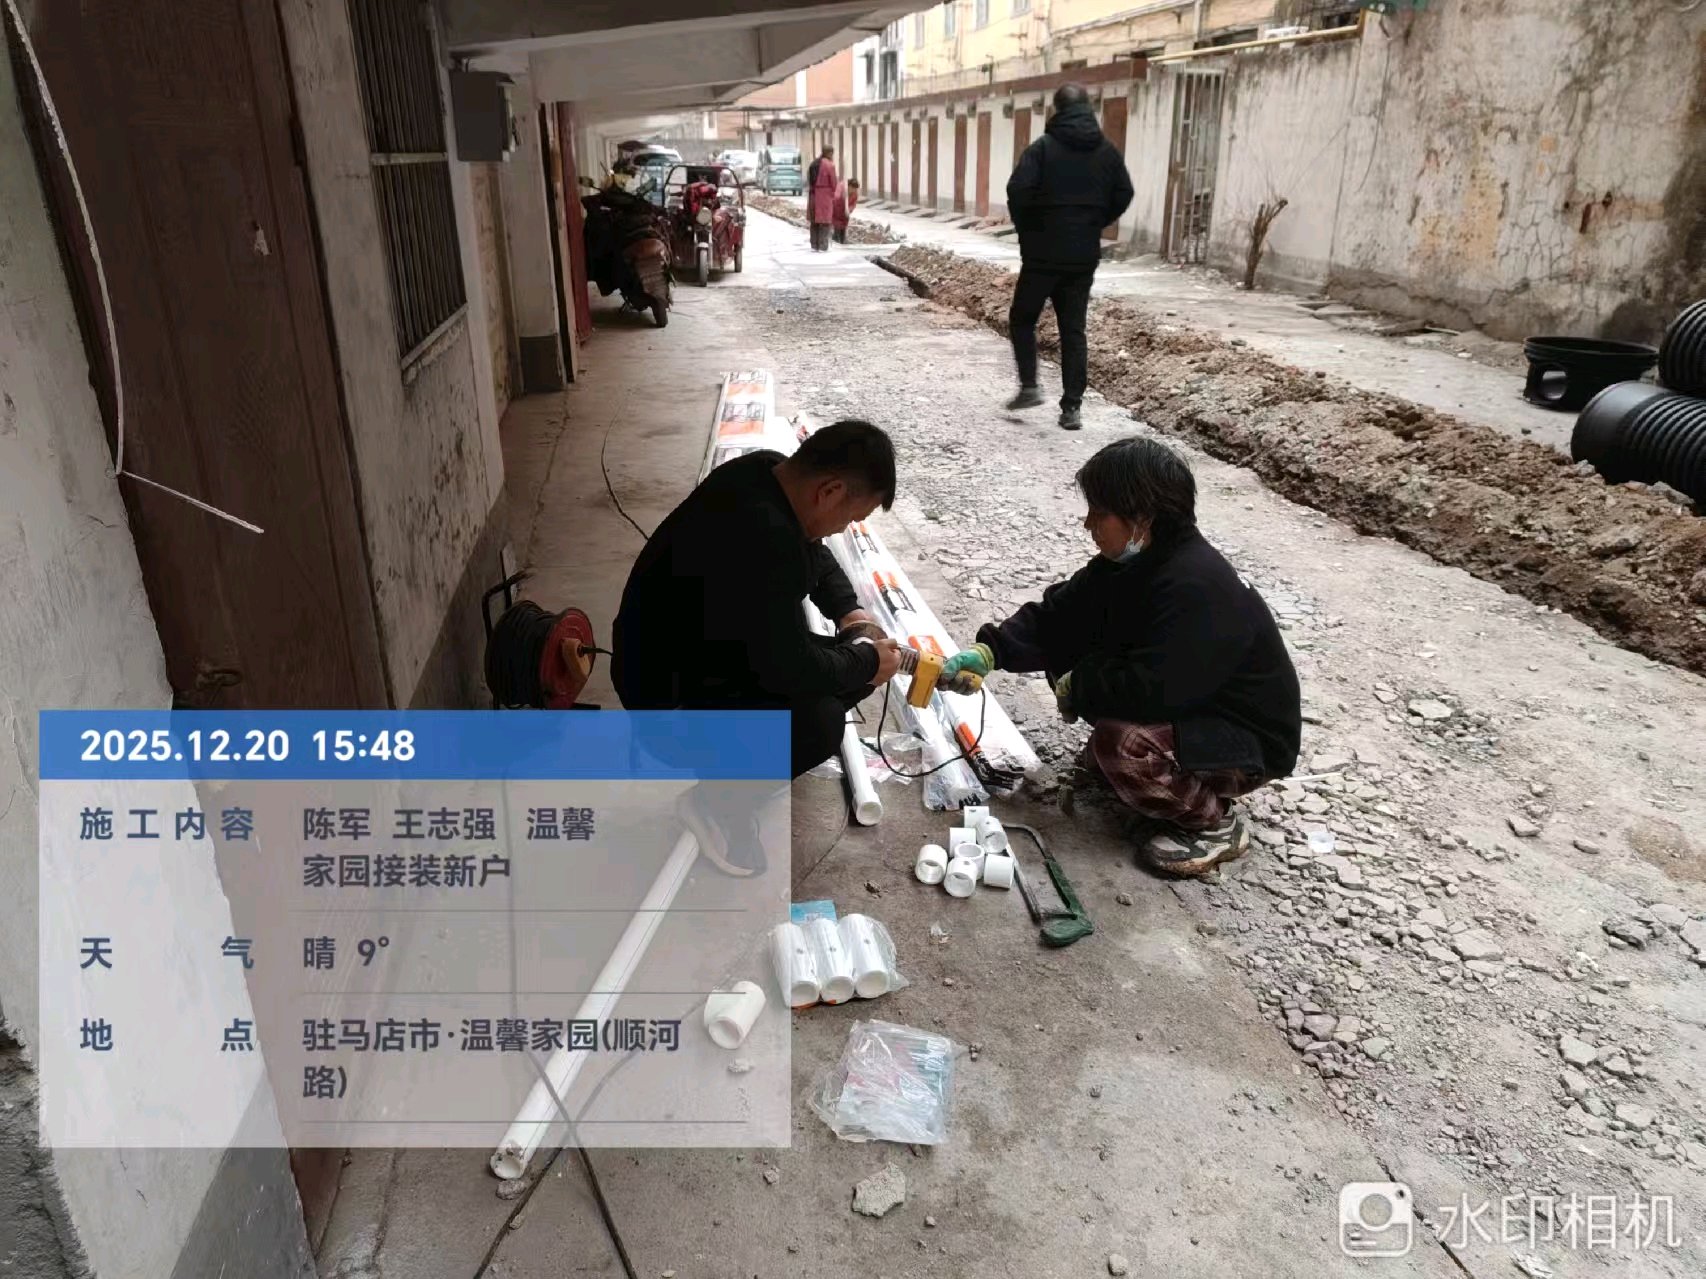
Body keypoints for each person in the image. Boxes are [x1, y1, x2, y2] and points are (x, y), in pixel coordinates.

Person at [940, 438, 1300, 878]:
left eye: (1099, 513)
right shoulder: (1135, 562)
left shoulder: (1195, 586)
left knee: (1124, 746)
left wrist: (1082, 684)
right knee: (1075, 657)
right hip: (1196, 706)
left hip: (1247, 740)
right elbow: (1061, 615)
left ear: (1142, 517)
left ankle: (1214, 823)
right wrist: (991, 650)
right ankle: (1166, 775)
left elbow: (1155, 690)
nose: (1087, 524)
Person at [612, 421, 904, 871]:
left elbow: (815, 552)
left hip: (685, 651)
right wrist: (865, 660)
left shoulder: (764, 472)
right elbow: (792, 669)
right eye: (849, 518)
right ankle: (715, 803)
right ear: (829, 491)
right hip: (665, 703)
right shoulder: (764, 539)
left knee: (847, 667)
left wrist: (851, 613)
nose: (840, 529)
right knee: (820, 721)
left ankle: (744, 769)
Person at [1004, 83, 1134, 431]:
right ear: (1088, 109)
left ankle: (1030, 386)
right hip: (1082, 257)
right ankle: (1072, 407)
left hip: (1042, 256)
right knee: (1073, 330)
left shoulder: (1043, 149)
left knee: (1022, 319)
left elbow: (1018, 190)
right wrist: (1094, 222)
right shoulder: (1106, 152)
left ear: (1057, 110)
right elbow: (1124, 192)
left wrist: (1030, 228)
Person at [806, 144, 839, 252]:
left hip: (813, 194)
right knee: (825, 222)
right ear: (830, 153)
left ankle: (814, 245)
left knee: (814, 221)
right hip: (824, 195)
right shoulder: (830, 165)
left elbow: (809, 179)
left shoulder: (813, 163)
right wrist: (833, 193)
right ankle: (823, 245)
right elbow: (834, 182)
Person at [832, 177, 860, 244]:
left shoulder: (854, 194)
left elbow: (853, 204)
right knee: (837, 230)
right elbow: (835, 199)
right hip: (836, 213)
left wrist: (849, 210)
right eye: (853, 188)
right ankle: (836, 240)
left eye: (855, 189)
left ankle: (841, 242)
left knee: (843, 231)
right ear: (849, 186)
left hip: (845, 216)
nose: (854, 190)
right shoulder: (841, 188)